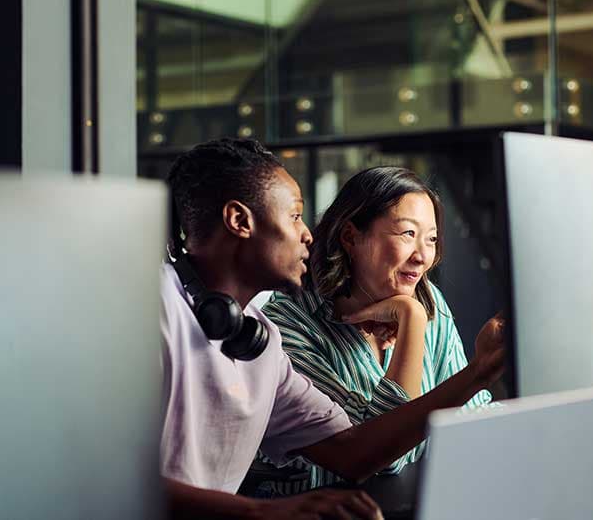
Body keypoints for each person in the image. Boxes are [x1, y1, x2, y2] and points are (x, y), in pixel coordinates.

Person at [160, 138, 505, 519]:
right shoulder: (153, 310)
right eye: (294, 216)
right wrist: (263, 513)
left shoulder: (259, 341)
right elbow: (94, 471)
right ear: (240, 221)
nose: (307, 234)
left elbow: (353, 450)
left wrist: (481, 370)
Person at [255, 166, 593, 495]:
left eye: (432, 239)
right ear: (351, 237)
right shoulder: (288, 325)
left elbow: (467, 420)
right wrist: (411, 323)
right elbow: (384, 456)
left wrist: (569, 440)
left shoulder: (429, 301)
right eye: (407, 234)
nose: (423, 256)